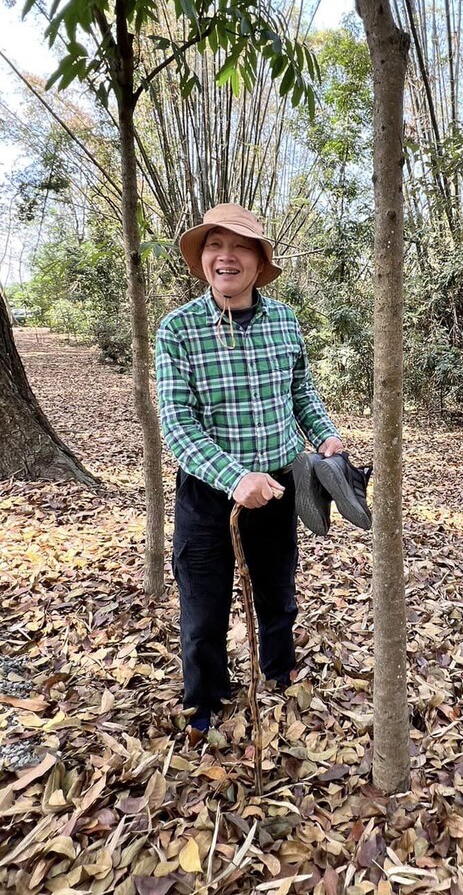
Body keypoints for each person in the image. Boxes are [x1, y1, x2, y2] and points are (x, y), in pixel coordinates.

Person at [155, 203, 344, 735]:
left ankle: (280, 673)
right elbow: (177, 424)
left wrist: (324, 434)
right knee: (203, 609)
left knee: (278, 594)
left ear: (260, 263)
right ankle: (205, 702)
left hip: (279, 487)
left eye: (241, 246)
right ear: (203, 259)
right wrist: (236, 478)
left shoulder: (284, 321)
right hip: (208, 495)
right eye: (215, 245)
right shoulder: (178, 329)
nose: (226, 256)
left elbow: (301, 391)